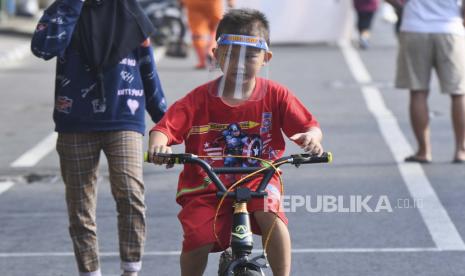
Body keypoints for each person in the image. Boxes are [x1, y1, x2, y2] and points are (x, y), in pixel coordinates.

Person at [148, 8, 324, 276]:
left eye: (250, 55)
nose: (240, 63)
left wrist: (311, 138)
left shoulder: (276, 95)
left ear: (266, 58)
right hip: (206, 184)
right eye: (231, 54)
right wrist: (159, 146)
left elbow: (309, 126)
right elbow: (164, 128)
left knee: (270, 215)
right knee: (197, 239)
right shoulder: (197, 99)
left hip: (259, 178)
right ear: (216, 53)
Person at [30, 0, 167, 275]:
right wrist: (73, 4)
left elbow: (147, 65)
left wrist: (165, 121)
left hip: (123, 115)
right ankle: (90, 271)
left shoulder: (128, 9)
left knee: (130, 194)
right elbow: (44, 47)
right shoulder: (63, 9)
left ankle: (131, 269)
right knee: (80, 208)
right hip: (75, 122)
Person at [395, 0, 465, 164]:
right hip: (450, 28)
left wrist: (401, 6)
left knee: (418, 92)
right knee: (459, 92)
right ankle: (461, 149)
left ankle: (423, 150)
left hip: (415, 26)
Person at [181, 0, 235, 69]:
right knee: (216, 27)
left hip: (193, 2)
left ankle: (202, 61)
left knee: (197, 32)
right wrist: (231, 2)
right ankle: (211, 51)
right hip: (212, 3)